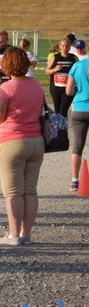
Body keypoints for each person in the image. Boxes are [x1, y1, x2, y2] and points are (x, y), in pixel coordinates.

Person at [0, 47, 44, 245]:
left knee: (13, 191)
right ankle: (26, 234)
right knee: (30, 190)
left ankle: (13, 234)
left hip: (12, 139)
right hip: (36, 140)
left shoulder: (6, 88)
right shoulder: (37, 86)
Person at [63, 53, 89, 193]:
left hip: (79, 108)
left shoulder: (77, 65)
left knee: (77, 146)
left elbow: (68, 91)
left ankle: (75, 181)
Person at [46, 37, 78, 119]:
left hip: (68, 88)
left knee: (63, 111)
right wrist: (55, 69)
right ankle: (58, 130)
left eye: (67, 46)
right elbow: (47, 71)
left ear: (70, 47)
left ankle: (63, 130)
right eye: (63, 46)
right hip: (55, 88)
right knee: (57, 110)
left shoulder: (74, 58)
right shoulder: (55, 57)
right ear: (60, 46)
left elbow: (78, 72)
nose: (65, 48)